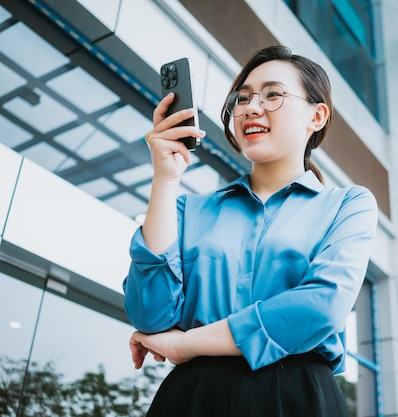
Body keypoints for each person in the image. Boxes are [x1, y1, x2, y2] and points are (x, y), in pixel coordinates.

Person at [122, 45, 378, 417]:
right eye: (242, 98)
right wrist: (165, 179)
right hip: (193, 399)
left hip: (298, 396)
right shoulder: (186, 209)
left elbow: (321, 307)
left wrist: (189, 344)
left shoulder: (347, 205)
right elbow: (149, 315)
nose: (250, 107)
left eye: (273, 94)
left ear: (317, 116)